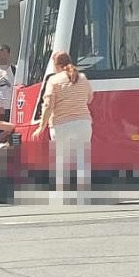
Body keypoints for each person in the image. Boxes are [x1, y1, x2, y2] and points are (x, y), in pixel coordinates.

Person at [40, 51, 94, 206]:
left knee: (61, 161)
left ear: (56, 65)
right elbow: (90, 98)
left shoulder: (54, 80)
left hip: (61, 124)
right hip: (83, 123)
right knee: (82, 160)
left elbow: (48, 104)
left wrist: (41, 125)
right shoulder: (82, 78)